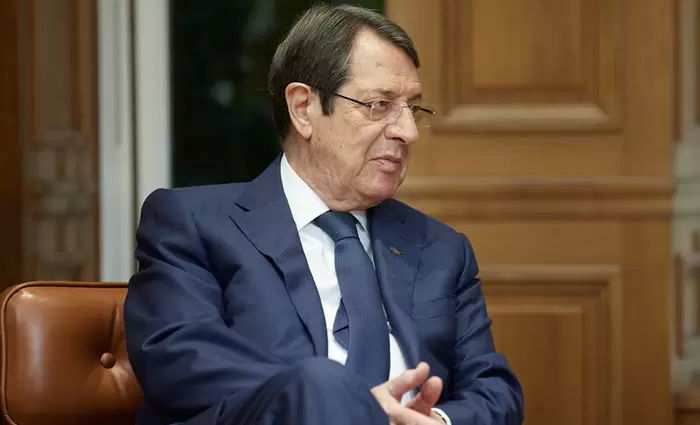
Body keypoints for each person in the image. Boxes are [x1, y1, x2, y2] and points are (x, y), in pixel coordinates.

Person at [124, 4, 524, 425]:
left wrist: (437, 421)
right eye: (379, 105)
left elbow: (494, 389)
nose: (407, 132)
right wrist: (353, 409)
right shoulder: (194, 223)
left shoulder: (442, 249)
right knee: (320, 381)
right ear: (303, 108)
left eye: (413, 109)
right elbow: (181, 360)